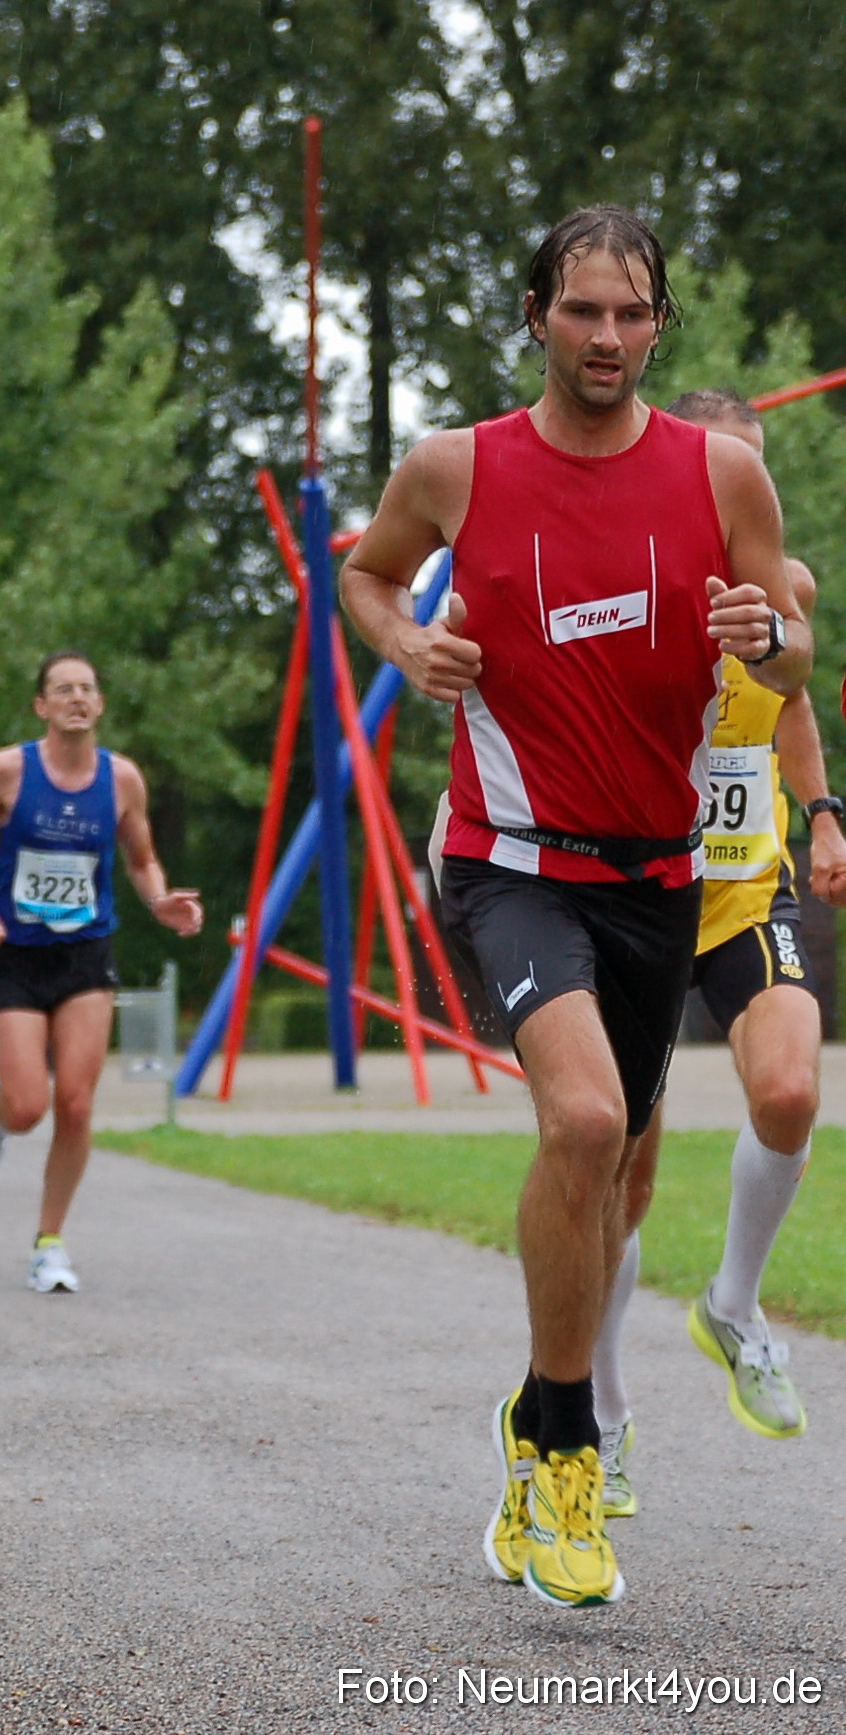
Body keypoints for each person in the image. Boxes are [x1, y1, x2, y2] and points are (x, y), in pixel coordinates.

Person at [339, 205, 811, 1609]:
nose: (606, 337)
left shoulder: (721, 473)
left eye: (631, 313)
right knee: (589, 1120)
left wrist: (767, 643)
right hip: (508, 854)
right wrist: (406, 636)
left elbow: (791, 659)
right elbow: (365, 574)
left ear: (658, 323)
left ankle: (551, 1416)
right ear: (537, 313)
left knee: (619, 1172)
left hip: (662, 874)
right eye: (581, 310)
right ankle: (559, 1439)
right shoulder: (455, 465)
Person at [590, 389, 846, 1518]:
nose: (748, 501)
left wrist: (825, 809)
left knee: (791, 1088)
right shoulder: (633, 581)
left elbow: (791, 706)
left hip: (744, 892)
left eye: (760, 479)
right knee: (618, 1178)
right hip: (638, 900)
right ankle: (598, 1415)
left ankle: (733, 1308)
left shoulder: (783, 592)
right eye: (726, 477)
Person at [0, 652, 203, 1293]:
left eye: (87, 688)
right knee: (29, 1106)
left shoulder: (122, 780)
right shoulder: (9, 770)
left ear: (100, 704)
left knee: (77, 1104)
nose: (77, 698)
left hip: (86, 954)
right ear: (43, 706)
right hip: (16, 952)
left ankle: (49, 1244)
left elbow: (141, 860)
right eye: (63, 690)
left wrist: (159, 898)